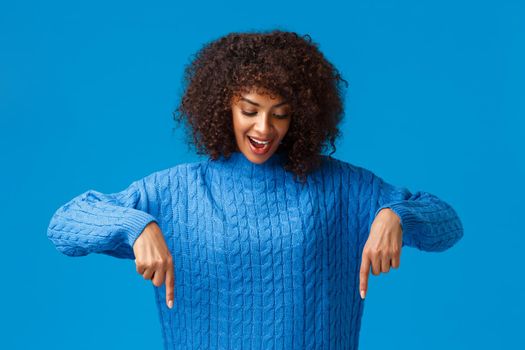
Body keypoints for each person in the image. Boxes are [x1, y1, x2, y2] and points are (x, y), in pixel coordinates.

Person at [47, 29, 464, 350]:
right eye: (249, 111)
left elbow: (449, 225)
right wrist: (135, 225)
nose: (264, 129)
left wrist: (398, 215)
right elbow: (63, 226)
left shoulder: (341, 188)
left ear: (299, 116)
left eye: (279, 115)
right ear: (221, 106)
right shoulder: (176, 191)